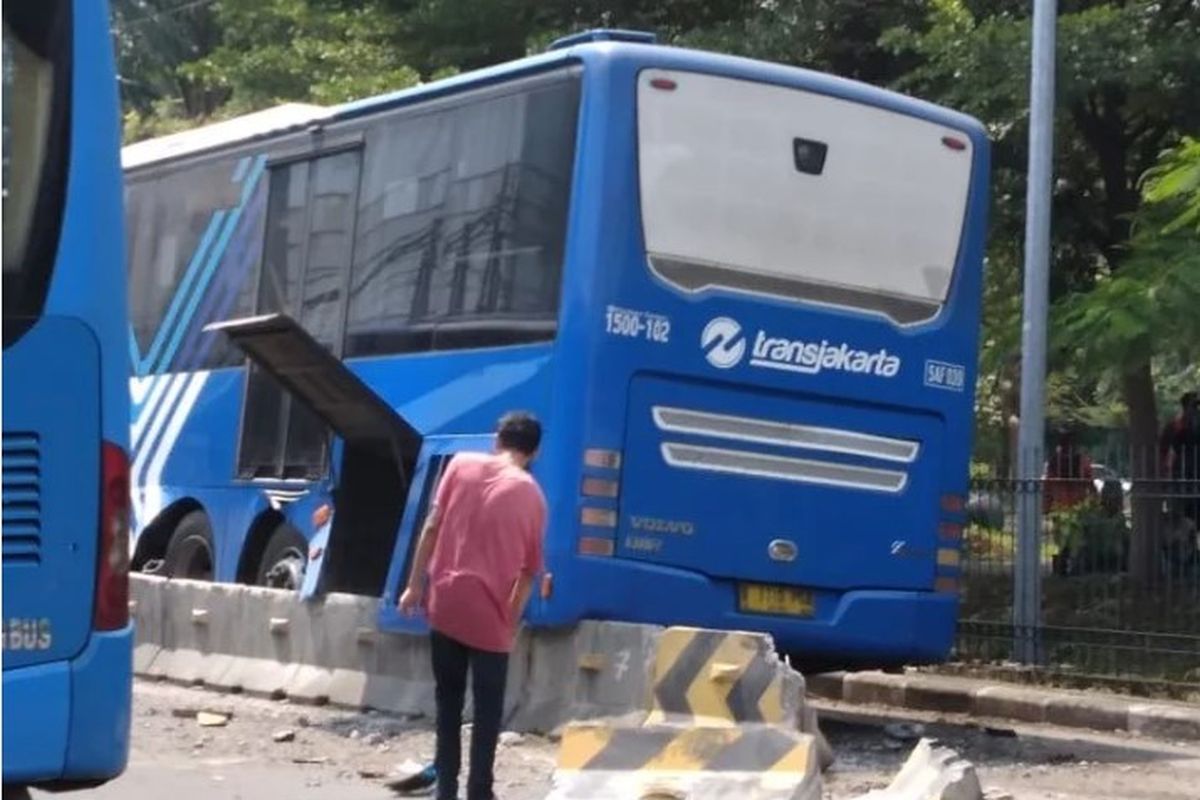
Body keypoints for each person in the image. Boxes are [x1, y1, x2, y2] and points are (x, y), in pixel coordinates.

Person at [399, 412, 547, 800]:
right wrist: (509, 620)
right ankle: (479, 789)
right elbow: (529, 573)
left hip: (445, 603)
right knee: (487, 711)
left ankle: (445, 789)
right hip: (490, 618)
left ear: (497, 440)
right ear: (534, 452)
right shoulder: (532, 494)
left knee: (447, 702)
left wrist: (414, 586)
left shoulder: (459, 465)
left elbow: (431, 528)